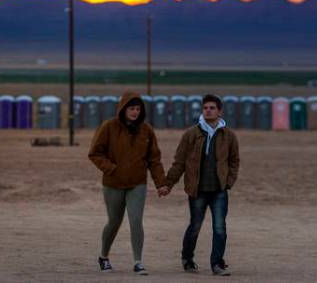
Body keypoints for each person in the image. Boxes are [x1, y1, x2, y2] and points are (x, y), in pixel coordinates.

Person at [88, 92, 168, 276]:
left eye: (138, 109)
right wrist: (111, 168)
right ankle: (104, 256)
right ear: (123, 109)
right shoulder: (109, 127)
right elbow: (95, 153)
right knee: (114, 222)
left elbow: (154, 159)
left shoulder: (147, 130)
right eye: (131, 108)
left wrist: (160, 183)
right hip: (113, 183)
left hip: (137, 184)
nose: (135, 112)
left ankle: (138, 261)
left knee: (135, 220)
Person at [165, 94, 240, 276]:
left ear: (219, 111)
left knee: (220, 227)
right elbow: (179, 161)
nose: (208, 110)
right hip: (197, 189)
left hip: (219, 190)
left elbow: (234, 161)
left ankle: (217, 264)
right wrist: (168, 183)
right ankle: (187, 258)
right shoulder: (191, 134)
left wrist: (228, 182)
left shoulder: (228, 135)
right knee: (195, 225)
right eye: (205, 107)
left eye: (212, 108)